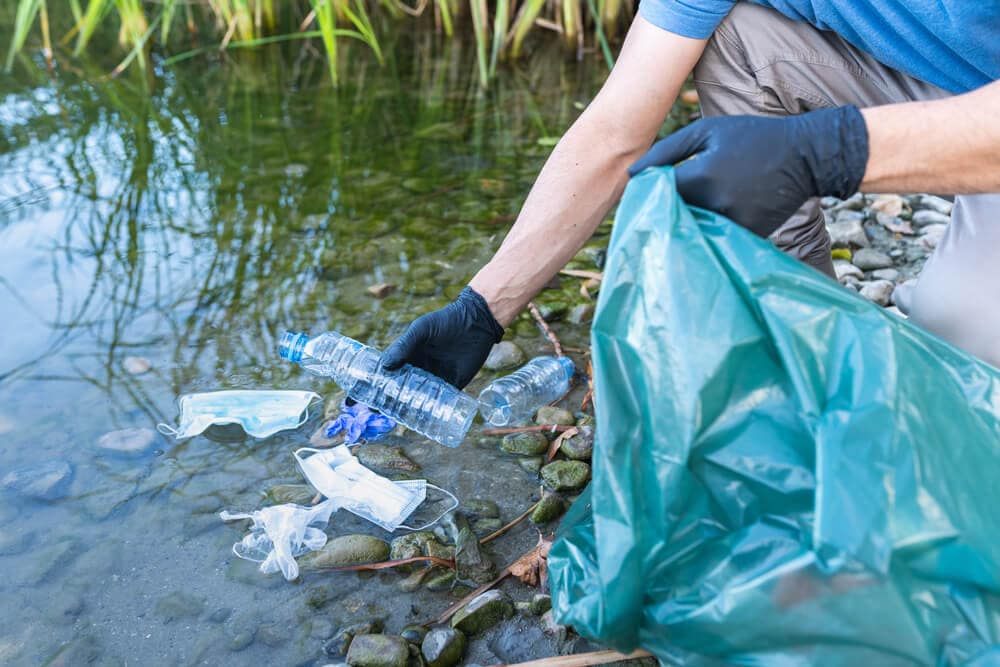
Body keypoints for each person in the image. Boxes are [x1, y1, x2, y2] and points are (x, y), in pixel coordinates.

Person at [383, 2, 1000, 382]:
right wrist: (485, 309)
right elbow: (617, 130)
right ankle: (804, 348)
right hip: (948, 93)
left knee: (963, 352)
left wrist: (828, 150)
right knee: (738, 39)